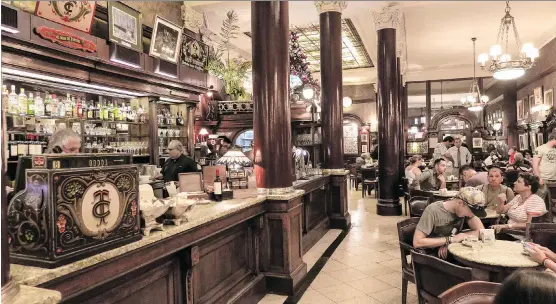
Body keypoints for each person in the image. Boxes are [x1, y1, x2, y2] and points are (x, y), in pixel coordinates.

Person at [413, 187, 486, 259]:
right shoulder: (433, 210)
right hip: (432, 255)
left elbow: (481, 232)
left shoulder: (466, 210)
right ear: (460, 203)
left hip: (452, 252)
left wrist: (457, 238)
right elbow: (417, 242)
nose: (471, 215)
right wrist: (449, 240)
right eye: (470, 211)